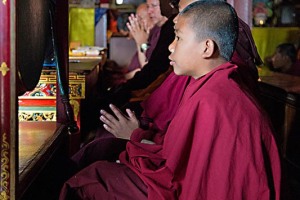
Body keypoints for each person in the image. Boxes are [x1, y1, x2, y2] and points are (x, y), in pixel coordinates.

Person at [60, 1, 281, 199]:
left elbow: (180, 179)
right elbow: (179, 154)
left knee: (90, 181)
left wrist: (136, 137)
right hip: (171, 170)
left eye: (178, 38)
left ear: (207, 47)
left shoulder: (214, 101)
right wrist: (139, 137)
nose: (170, 46)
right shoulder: (209, 84)